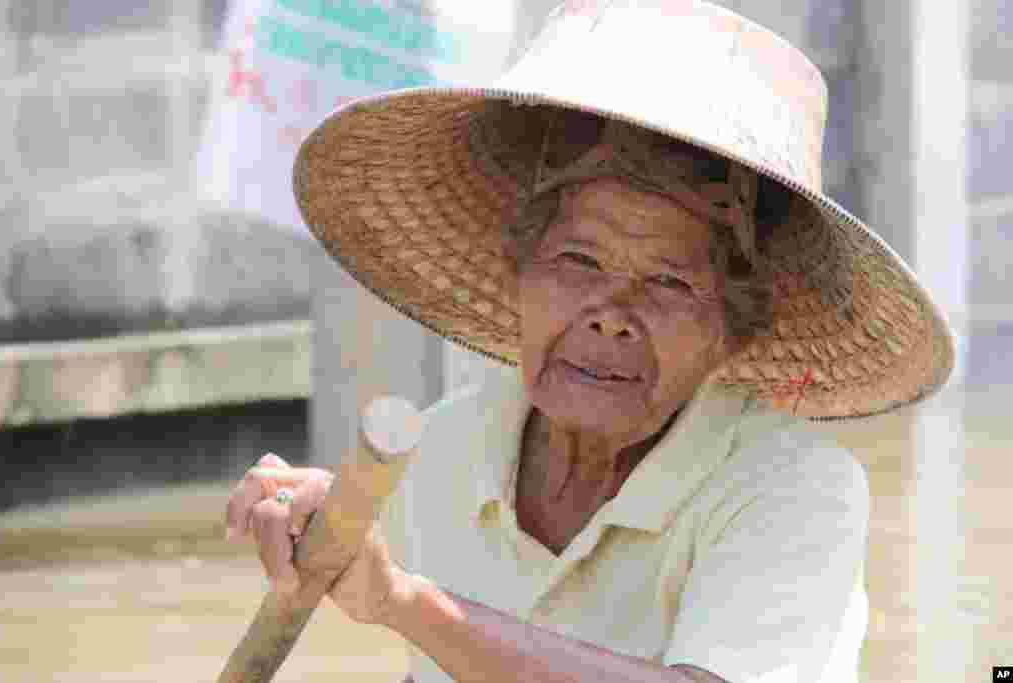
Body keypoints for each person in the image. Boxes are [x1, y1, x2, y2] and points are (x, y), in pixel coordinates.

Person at [225, 2, 954, 682]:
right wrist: (317, 524)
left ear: (732, 331)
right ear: (519, 272)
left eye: (670, 283)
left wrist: (406, 602)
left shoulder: (793, 488)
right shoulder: (449, 453)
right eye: (579, 262)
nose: (611, 315)